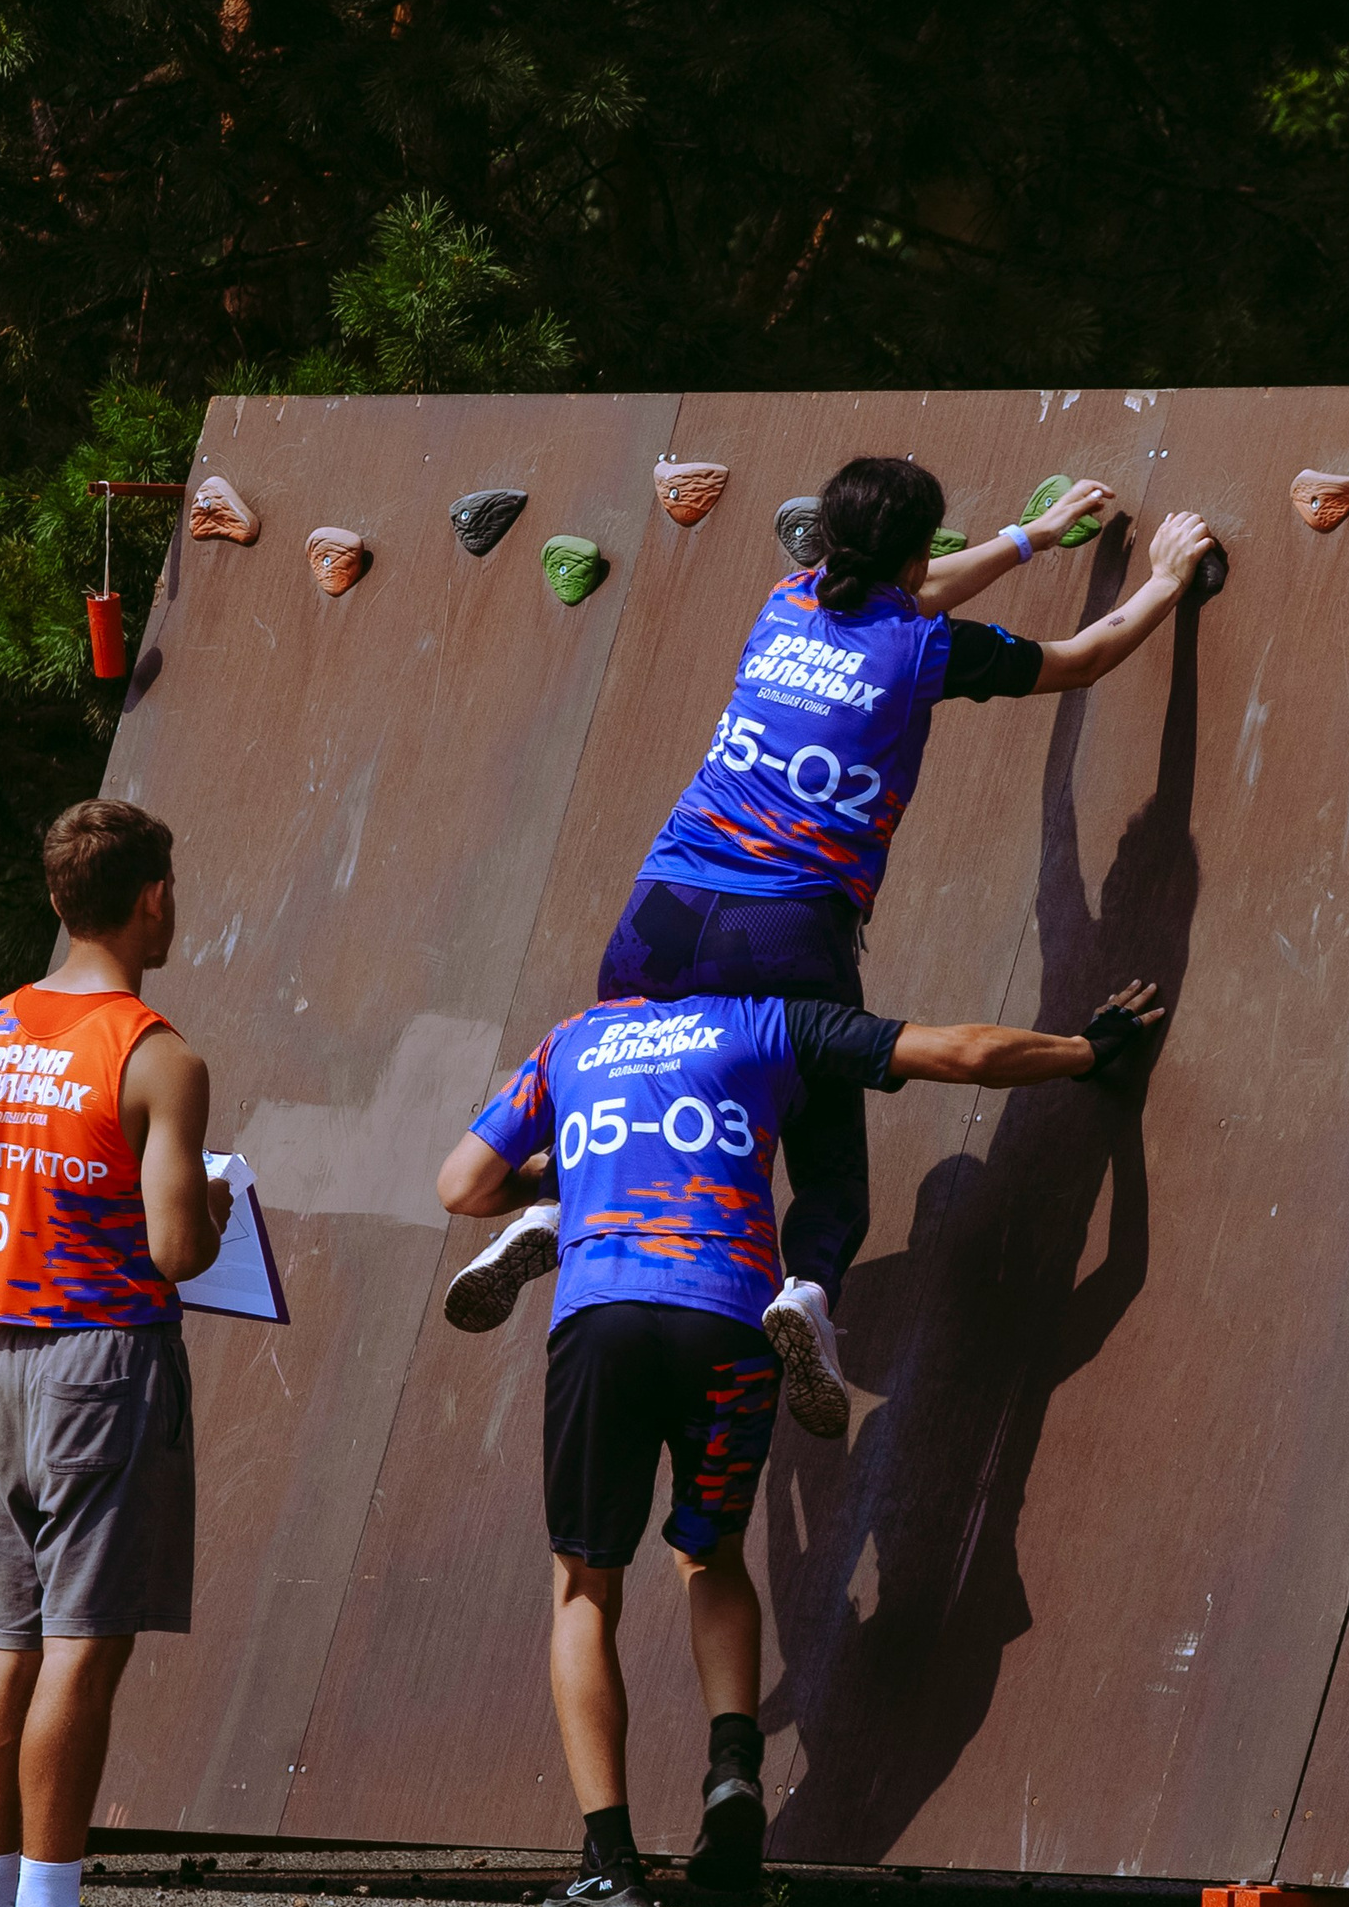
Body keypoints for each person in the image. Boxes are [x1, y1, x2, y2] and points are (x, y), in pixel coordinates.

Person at [445, 456, 1213, 1442]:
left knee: (629, 1086)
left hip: (659, 909)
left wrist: (1030, 539)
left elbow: (905, 584)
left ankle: (552, 1211)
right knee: (827, 1164)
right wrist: (1162, 576)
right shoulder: (923, 648)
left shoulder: (784, 599)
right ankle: (805, 1291)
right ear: (908, 553)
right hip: (784, 931)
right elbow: (1079, 657)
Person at [433, 970, 1165, 1907]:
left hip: (602, 1314)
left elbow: (460, 1183)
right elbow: (961, 1052)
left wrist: (576, 1173)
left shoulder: (575, 1036)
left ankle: (611, 1866)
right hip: (729, 1316)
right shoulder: (763, 1020)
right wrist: (1089, 1049)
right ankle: (733, 1771)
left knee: (583, 1584)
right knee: (710, 1553)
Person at [0, 797, 233, 1907]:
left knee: (5, 1647)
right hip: (103, 1360)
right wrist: (213, 1208)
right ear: (151, 897)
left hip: (0, 1359)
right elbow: (174, 1248)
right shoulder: (161, 1055)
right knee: (79, 1648)